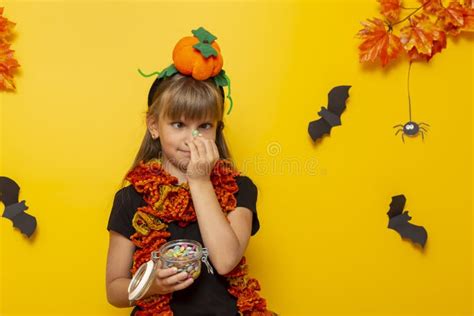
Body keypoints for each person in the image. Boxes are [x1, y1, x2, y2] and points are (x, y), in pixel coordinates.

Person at [105, 27, 273, 315]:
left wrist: (199, 179)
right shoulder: (130, 199)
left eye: (204, 126)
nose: (191, 138)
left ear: (217, 128)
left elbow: (225, 260)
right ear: (154, 126)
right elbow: (114, 289)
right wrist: (150, 285)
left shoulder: (240, 189)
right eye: (179, 125)